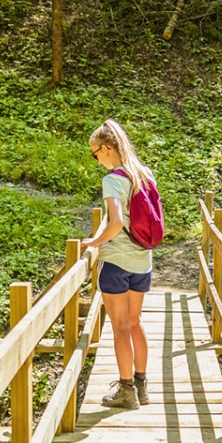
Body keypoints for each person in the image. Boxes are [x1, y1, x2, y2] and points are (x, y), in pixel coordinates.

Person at [81, 119, 155, 409]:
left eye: (95, 152)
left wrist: (96, 243)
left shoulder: (113, 179)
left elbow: (117, 222)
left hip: (116, 265)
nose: (96, 158)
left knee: (120, 327)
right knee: (136, 322)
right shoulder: (144, 173)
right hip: (142, 262)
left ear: (108, 148)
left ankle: (126, 392)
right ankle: (142, 386)